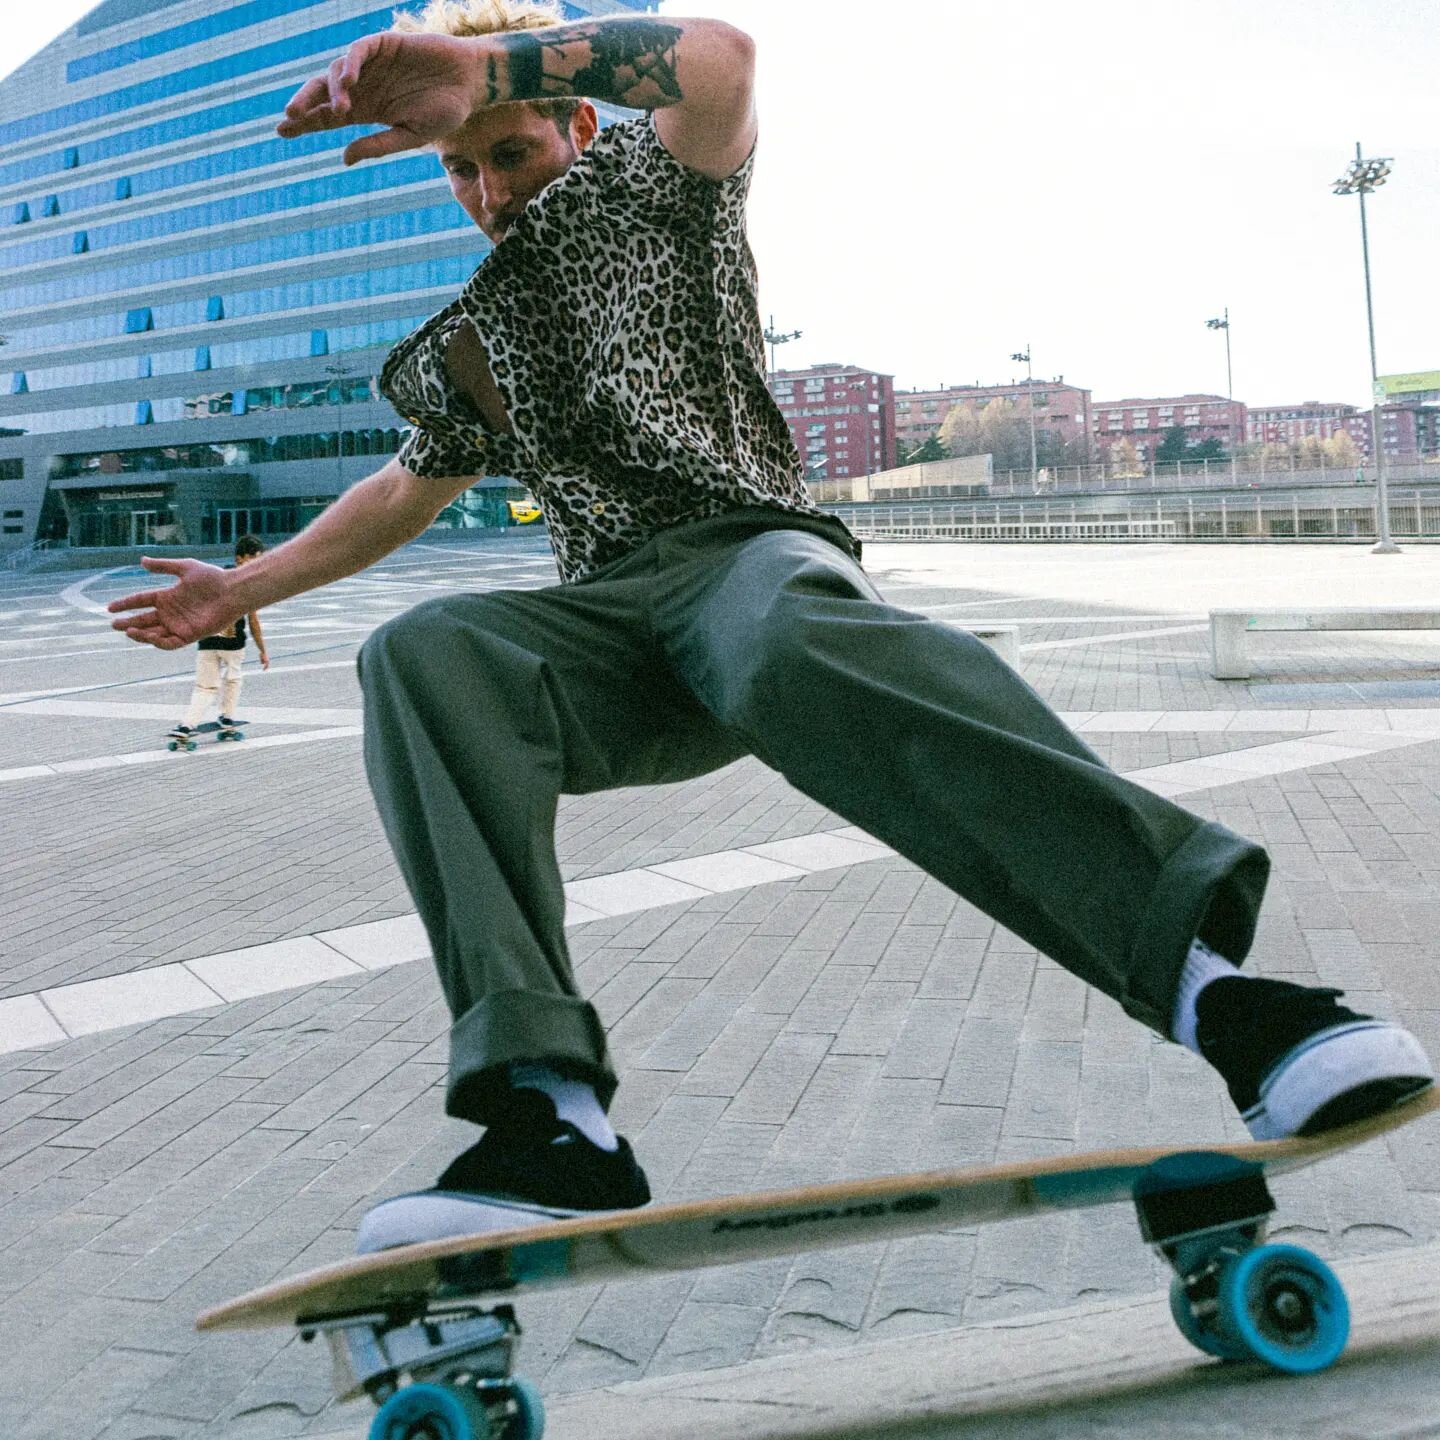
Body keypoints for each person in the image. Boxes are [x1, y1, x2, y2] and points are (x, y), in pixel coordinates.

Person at [111, 1, 1432, 1251]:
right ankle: (549, 1123)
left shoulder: (652, 192)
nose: (489, 190)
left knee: (786, 630)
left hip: (748, 565)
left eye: (507, 154)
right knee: (425, 657)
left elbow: (725, 61)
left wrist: (500, 67)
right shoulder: (472, 337)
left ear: (572, 125)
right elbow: (410, 485)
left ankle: (1236, 1007)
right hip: (609, 635)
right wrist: (244, 590)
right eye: (461, 173)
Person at [165, 533, 270, 745]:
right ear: (240, 558)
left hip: (208, 640)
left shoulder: (216, 577)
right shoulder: (247, 583)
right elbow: (253, 620)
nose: (258, 563)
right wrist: (262, 649)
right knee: (232, 680)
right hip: (232, 642)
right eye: (255, 558)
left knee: (204, 686)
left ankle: (187, 726)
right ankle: (227, 718)